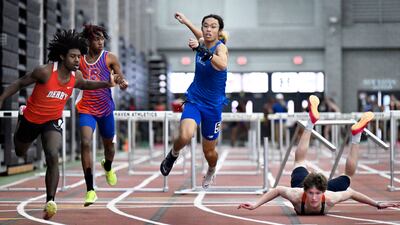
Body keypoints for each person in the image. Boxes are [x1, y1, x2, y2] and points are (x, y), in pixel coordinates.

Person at [0, 29, 117, 220]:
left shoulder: (75, 76)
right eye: (73, 56)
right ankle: (21, 119)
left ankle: (50, 201)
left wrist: (106, 84)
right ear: (62, 56)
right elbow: (20, 83)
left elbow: (86, 84)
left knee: (53, 155)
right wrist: (2, 98)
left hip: (52, 120)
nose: (77, 60)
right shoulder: (45, 72)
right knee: (20, 152)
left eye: (79, 57)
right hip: (31, 119)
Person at [238, 95, 400, 214]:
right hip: (303, 182)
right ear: (305, 191)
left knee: (299, 161)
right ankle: (353, 136)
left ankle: (313, 123)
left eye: (317, 194)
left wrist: (377, 204)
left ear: (323, 192)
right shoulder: (297, 194)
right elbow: (277, 190)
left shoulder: (328, 197)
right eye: (311, 194)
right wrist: (255, 204)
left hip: (315, 186)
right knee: (347, 176)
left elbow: (351, 193)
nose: (314, 198)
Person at [160, 12, 229, 189]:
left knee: (209, 151)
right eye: (206, 25)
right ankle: (173, 155)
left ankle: (212, 169)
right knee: (185, 135)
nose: (208, 29)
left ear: (219, 31)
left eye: (213, 27)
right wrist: (185, 21)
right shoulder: (201, 41)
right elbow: (198, 34)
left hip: (213, 107)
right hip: (195, 100)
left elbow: (222, 64)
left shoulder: (220, 48)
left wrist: (203, 51)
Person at [76, 24, 128, 207]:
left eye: (102, 38)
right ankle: (90, 189)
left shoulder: (109, 58)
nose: (100, 41)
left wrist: (122, 82)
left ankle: (107, 166)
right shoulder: (80, 60)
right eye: (96, 39)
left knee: (110, 147)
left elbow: (119, 75)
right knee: (85, 142)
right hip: (86, 109)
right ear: (88, 41)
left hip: (106, 109)